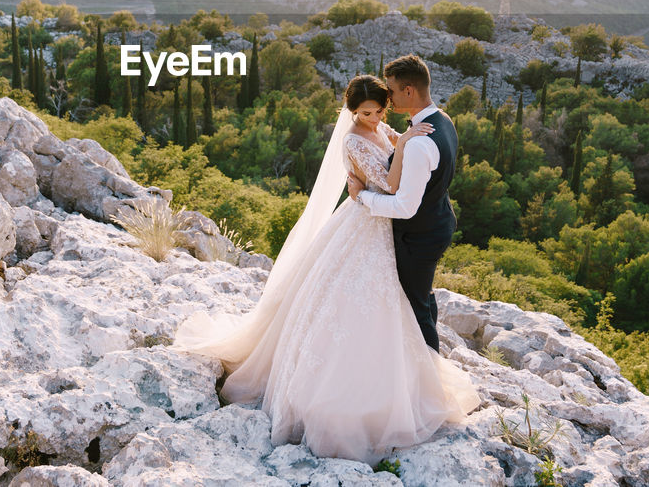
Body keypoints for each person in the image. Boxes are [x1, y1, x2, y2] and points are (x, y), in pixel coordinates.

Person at [173, 73, 478, 465]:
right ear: (350, 111)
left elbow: (390, 161)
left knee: (393, 304)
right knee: (349, 304)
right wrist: (404, 147)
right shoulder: (353, 138)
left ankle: (409, 374)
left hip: (382, 227)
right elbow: (387, 185)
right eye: (366, 112)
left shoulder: (383, 126)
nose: (374, 119)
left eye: (379, 110)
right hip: (368, 219)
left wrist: (402, 139)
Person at [346, 54, 457, 351]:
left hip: (418, 235)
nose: (389, 99)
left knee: (415, 309)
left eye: (392, 92)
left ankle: (429, 379)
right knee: (423, 295)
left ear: (408, 90)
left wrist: (361, 197)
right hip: (438, 222)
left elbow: (404, 206)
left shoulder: (419, 143)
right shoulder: (442, 119)